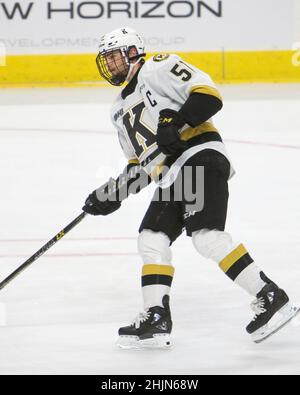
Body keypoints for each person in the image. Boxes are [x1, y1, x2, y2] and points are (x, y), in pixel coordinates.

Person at [83, 27, 299, 349]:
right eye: (107, 60)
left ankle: (270, 295)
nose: (111, 66)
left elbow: (208, 94)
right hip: (173, 174)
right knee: (151, 238)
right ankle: (156, 315)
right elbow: (142, 164)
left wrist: (176, 121)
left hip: (198, 155)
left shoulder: (157, 66)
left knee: (207, 236)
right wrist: (113, 192)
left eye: (114, 57)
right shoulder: (117, 111)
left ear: (132, 53)